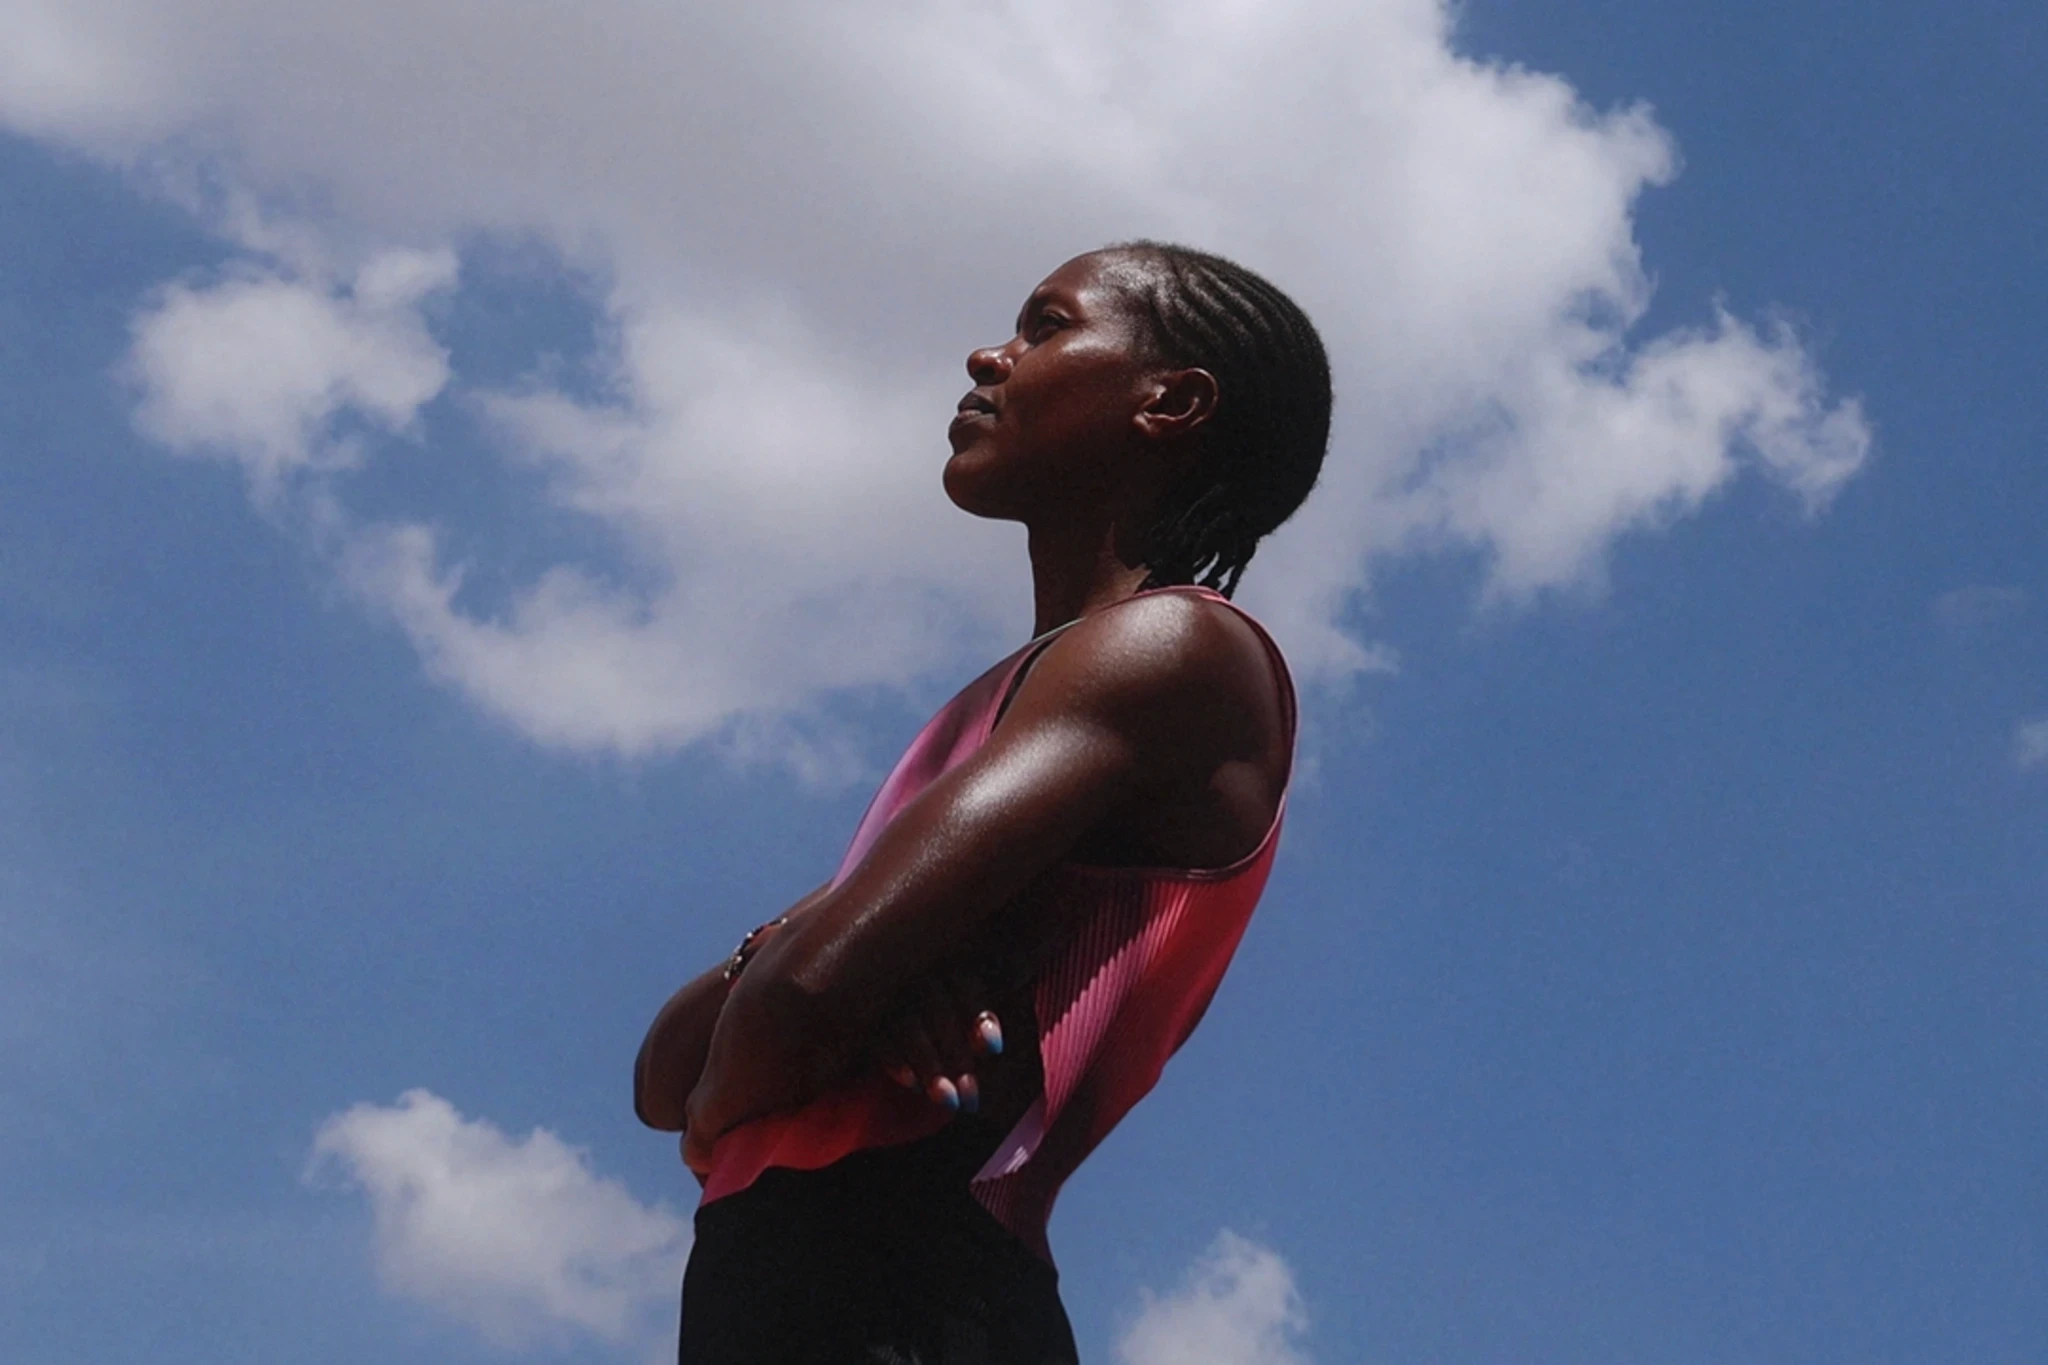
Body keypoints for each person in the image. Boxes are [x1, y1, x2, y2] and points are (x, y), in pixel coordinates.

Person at [634, 241, 1332, 1364]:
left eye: (1046, 326)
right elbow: (667, 1073)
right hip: (816, 1280)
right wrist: (804, 979)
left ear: (1170, 402)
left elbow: (791, 1011)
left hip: (909, 1285)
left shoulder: (1172, 648)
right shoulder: (1020, 696)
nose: (986, 354)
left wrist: (789, 1016)